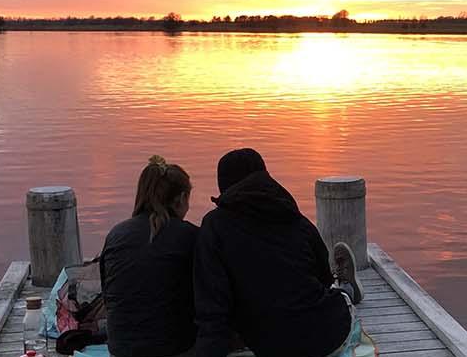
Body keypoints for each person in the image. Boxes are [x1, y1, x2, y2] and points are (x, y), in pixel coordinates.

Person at [194, 148, 366, 357]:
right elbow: (323, 276)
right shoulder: (292, 216)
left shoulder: (214, 226)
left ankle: (347, 289)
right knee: (334, 293)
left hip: (265, 345)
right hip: (329, 336)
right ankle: (347, 288)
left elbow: (212, 306)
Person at [99, 155, 198, 357]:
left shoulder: (116, 235)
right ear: (180, 199)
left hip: (121, 348)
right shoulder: (191, 236)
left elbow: (108, 295)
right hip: (174, 348)